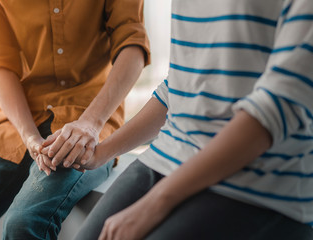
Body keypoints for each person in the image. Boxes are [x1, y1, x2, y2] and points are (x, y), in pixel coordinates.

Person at [74, 0, 313, 239]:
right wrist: (102, 152)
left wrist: (154, 205)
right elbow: (179, 88)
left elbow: (280, 104)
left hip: (258, 182)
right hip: (166, 158)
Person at [0, 0, 150, 239]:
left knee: (23, 223)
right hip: (15, 126)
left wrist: (90, 122)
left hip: (87, 122)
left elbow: (133, 45)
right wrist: (29, 136)